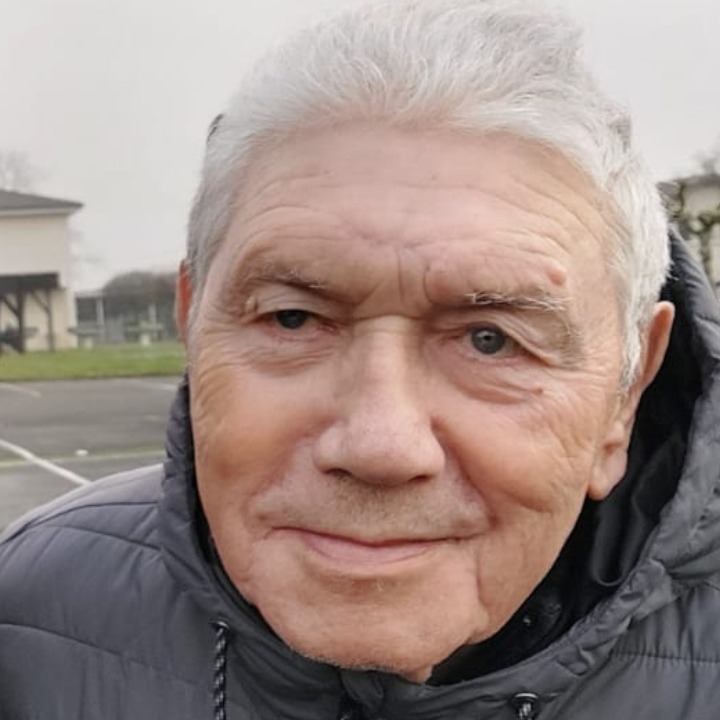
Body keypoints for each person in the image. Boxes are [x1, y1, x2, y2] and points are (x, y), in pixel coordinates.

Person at [2, 0, 719, 717]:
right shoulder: (28, 612)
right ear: (192, 323)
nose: (380, 445)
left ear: (627, 390)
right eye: (292, 318)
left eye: (491, 339)